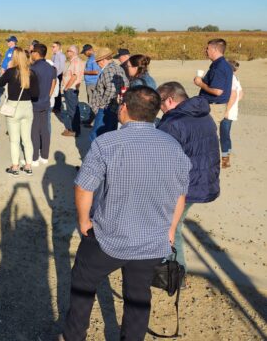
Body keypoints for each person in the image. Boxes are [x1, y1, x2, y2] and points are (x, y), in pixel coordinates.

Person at [62, 87, 191, 340]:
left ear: (124, 109)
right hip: (151, 240)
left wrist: (83, 220)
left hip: (109, 236)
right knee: (139, 297)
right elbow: (180, 194)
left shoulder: (107, 143)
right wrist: (171, 230)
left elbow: (83, 186)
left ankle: (74, 335)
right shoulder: (173, 147)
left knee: (82, 284)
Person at [156, 81, 219, 274]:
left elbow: (161, 158)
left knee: (170, 226)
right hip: (205, 180)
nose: (160, 110)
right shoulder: (203, 114)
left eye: (161, 105)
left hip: (186, 186)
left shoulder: (173, 122)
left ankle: (175, 273)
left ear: (169, 100)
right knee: (174, 224)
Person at [0, 47, 40, 176]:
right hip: (27, 106)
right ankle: (28, 166)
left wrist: (6, 70)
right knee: (27, 139)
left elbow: (0, 83)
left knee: (14, 140)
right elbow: (35, 94)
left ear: (15, 58)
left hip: (13, 107)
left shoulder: (11, 72)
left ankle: (15, 167)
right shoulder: (31, 73)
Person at [194, 38, 233, 147]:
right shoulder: (222, 64)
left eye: (208, 48)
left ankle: (214, 162)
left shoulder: (219, 66)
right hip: (215, 106)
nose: (205, 50)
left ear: (215, 49)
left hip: (214, 107)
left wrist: (200, 83)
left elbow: (217, 91)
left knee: (208, 137)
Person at [89, 47, 129, 141]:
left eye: (98, 62)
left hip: (107, 109)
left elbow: (111, 89)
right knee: (109, 135)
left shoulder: (108, 70)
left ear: (103, 60)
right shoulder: (117, 67)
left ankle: (95, 155)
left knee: (95, 136)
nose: (98, 64)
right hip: (113, 108)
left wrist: (102, 105)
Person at [29, 44, 55, 166]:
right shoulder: (50, 67)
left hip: (35, 102)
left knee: (34, 129)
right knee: (45, 130)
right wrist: (49, 96)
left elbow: (29, 86)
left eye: (32, 51)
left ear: (36, 53)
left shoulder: (33, 68)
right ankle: (44, 156)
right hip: (45, 101)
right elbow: (53, 83)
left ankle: (34, 157)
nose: (31, 53)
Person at [220, 60, 242, 168]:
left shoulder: (231, 79)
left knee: (224, 136)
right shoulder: (236, 78)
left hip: (227, 111)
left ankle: (225, 161)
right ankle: (227, 158)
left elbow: (233, 94)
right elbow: (241, 94)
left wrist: (227, 110)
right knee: (226, 135)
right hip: (233, 110)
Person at [61, 45, 84, 137]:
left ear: (73, 52)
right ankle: (74, 128)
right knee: (73, 109)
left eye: (68, 51)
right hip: (71, 89)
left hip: (71, 89)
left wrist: (66, 87)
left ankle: (74, 130)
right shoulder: (73, 61)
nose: (67, 52)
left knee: (72, 110)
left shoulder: (76, 62)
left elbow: (74, 76)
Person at [81, 44, 101, 115]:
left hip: (93, 83)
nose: (84, 54)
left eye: (85, 52)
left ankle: (93, 121)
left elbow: (96, 71)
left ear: (89, 50)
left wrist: (83, 72)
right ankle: (91, 120)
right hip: (90, 83)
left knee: (93, 102)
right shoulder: (91, 58)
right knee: (92, 102)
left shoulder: (93, 59)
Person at [51, 42, 66, 115]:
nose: (52, 48)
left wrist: (56, 75)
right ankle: (54, 106)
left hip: (58, 75)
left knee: (58, 91)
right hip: (53, 74)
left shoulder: (61, 56)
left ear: (58, 47)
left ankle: (58, 107)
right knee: (53, 89)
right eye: (52, 46)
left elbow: (62, 67)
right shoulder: (54, 55)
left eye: (53, 46)